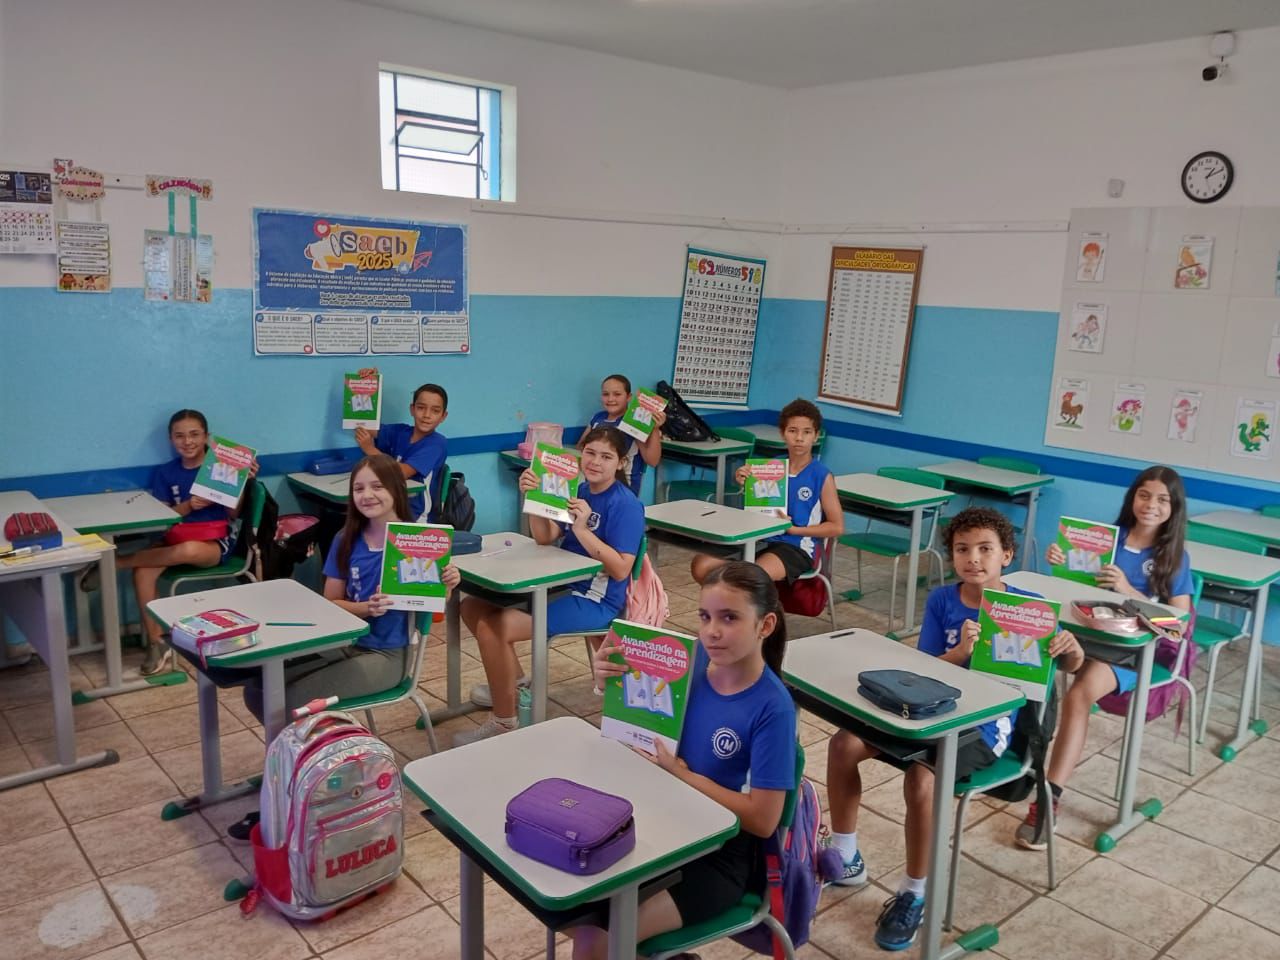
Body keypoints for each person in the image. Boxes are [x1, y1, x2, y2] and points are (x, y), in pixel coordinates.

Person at [825, 507, 1081, 951]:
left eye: (985, 549)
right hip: (930, 710)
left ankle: (914, 892)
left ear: (1007, 555)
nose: (973, 558)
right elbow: (921, 668)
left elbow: (1070, 665)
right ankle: (845, 855)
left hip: (987, 726)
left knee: (922, 779)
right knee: (844, 744)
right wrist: (961, 652)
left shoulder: (1029, 610)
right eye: (962, 549)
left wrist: (1071, 648)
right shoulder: (943, 600)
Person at [570, 561, 797, 960]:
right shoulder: (688, 665)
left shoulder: (772, 708)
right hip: (663, 825)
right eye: (705, 616)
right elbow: (637, 731)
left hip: (718, 858)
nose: (711, 631)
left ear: (765, 625)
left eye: (729, 618)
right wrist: (608, 683)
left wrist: (681, 775)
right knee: (571, 907)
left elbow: (764, 820)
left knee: (595, 943)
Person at [1015, 464, 1192, 851]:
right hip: (1087, 637)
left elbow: (1179, 623)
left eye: (1162, 500)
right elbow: (1072, 592)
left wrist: (1129, 590)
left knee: (1079, 695)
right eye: (1144, 495)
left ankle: (1049, 797)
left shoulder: (1174, 558)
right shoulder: (1106, 539)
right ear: (1132, 497)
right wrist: (1060, 561)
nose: (1151, 505)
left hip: (1132, 653)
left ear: (1174, 508)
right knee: (1026, 667)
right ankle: (1011, 763)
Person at [457, 425, 645, 745]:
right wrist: (533, 499)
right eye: (590, 453)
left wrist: (583, 530)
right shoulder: (579, 490)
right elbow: (545, 537)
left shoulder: (625, 505)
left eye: (606, 456)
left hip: (594, 598)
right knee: (472, 606)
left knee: (493, 627)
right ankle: (513, 682)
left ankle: (504, 723)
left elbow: (621, 569)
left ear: (621, 463)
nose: (595, 462)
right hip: (562, 584)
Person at [242, 453, 459, 721]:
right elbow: (331, 603)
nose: (367, 495)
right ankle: (301, 744)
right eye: (358, 488)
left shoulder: (417, 541)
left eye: (377, 486)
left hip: (387, 656)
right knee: (257, 689)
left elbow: (433, 604)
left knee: (287, 701)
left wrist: (447, 584)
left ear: (396, 489)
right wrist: (366, 608)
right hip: (344, 643)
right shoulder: (346, 538)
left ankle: (322, 745)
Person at [110, 409, 258, 676]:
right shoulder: (165, 472)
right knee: (143, 572)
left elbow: (234, 514)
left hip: (214, 543)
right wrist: (189, 506)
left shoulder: (221, 466)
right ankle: (156, 643)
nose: (187, 441)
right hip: (175, 537)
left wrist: (241, 483)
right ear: (171, 439)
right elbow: (163, 518)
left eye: (194, 434)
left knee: (188, 550)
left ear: (206, 437)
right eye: (179, 436)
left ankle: (116, 562)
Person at [691, 398, 842, 586]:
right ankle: (728, 601)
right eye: (792, 431)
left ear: (816, 436)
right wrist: (744, 482)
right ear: (783, 434)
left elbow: (837, 527)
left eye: (807, 432)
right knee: (701, 565)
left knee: (750, 576)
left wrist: (795, 529)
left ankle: (749, 602)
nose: (799, 438)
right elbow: (757, 508)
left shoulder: (821, 476)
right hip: (758, 538)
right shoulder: (769, 467)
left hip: (795, 546)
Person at [355, 378, 448, 521]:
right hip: (389, 507)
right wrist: (365, 386)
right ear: (412, 409)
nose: (427, 415)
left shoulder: (436, 444)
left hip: (415, 516)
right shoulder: (401, 432)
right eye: (421, 408)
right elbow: (362, 424)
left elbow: (401, 473)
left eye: (435, 411)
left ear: (443, 416)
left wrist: (369, 449)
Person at [584, 374, 665, 496]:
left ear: (628, 397)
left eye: (617, 394)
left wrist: (654, 428)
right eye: (605, 394)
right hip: (595, 482)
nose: (610, 399)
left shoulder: (634, 421)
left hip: (623, 487)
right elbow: (582, 446)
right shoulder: (597, 418)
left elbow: (652, 460)